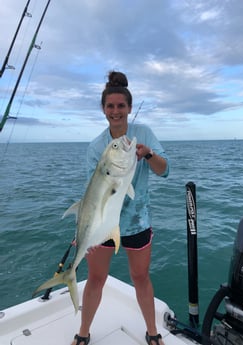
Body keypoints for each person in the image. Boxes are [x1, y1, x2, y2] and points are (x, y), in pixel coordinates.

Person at [71, 71, 169, 345]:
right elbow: (92, 194)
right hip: (102, 226)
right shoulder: (95, 146)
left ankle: (152, 332)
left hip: (137, 222)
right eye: (110, 106)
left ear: (129, 108)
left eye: (121, 106)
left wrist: (148, 154)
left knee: (140, 277)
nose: (116, 112)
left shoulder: (143, 134)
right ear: (103, 109)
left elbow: (165, 171)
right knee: (96, 278)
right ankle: (83, 332)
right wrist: (82, 228)